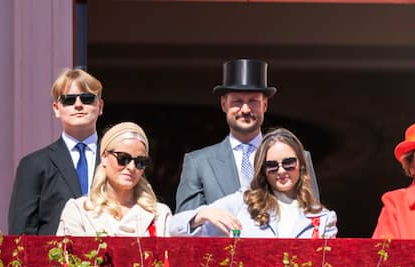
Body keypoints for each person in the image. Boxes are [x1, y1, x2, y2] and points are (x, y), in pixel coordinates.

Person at [175, 58, 320, 213]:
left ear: (265, 104)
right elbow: (184, 226)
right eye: (237, 101)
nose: (245, 109)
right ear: (224, 104)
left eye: (253, 101)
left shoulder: (299, 159)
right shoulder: (198, 163)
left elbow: (314, 219)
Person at [170, 128, 336, 238]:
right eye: (271, 165)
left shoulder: (323, 218)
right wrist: (202, 214)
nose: (281, 171)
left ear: (301, 164)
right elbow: (174, 228)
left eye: (288, 163)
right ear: (262, 170)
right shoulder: (244, 202)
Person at [8, 68, 104, 235]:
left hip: (111, 258)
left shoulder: (120, 161)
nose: (78, 104)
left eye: (87, 98)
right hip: (53, 259)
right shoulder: (33, 164)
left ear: (100, 106)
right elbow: (21, 233)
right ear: (56, 108)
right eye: (69, 100)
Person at [56, 122, 172, 236]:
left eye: (140, 162)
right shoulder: (79, 211)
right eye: (123, 158)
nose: (131, 167)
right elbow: (66, 254)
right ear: (104, 157)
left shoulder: (160, 215)